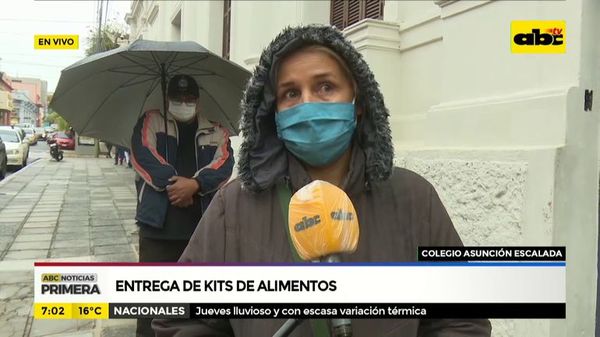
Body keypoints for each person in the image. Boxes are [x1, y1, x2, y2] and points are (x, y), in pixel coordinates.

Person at [153, 25, 491, 336]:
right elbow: (180, 318)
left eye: (325, 86)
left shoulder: (415, 200)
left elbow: (462, 321)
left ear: (357, 102)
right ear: (274, 114)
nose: (308, 104)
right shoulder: (234, 207)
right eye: (290, 93)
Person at [130, 74, 234, 337]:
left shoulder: (216, 131)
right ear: (168, 99)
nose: (183, 103)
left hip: (200, 228)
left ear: (198, 102)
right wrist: (177, 185)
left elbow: (224, 165)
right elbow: (143, 155)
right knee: (150, 302)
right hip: (157, 228)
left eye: (189, 99)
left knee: (194, 302)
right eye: (178, 98)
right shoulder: (151, 121)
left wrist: (196, 185)